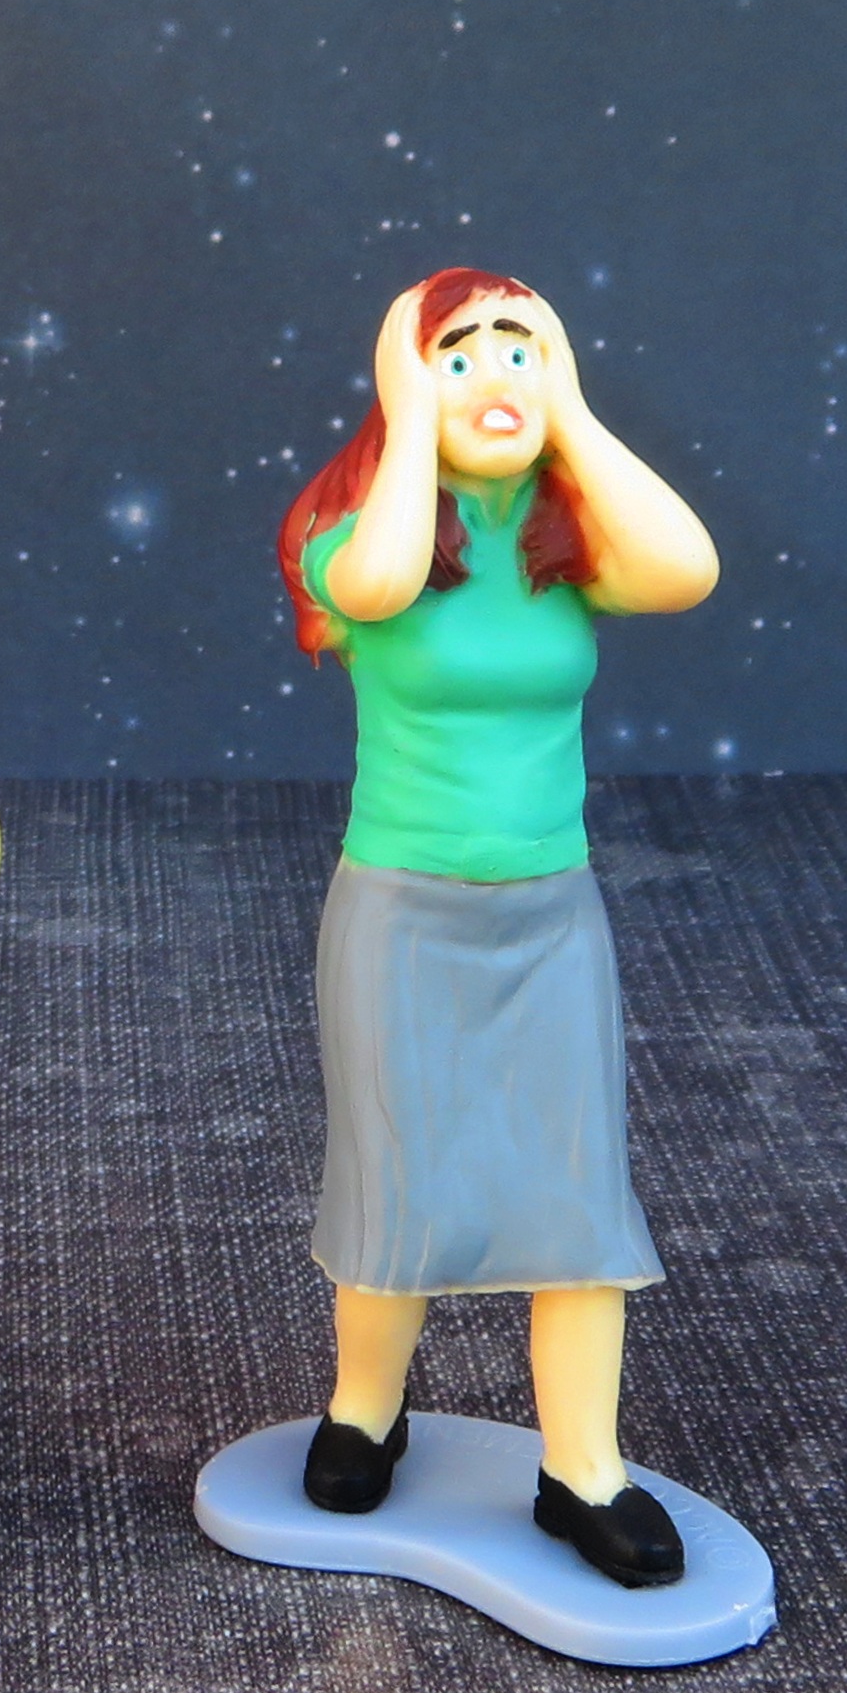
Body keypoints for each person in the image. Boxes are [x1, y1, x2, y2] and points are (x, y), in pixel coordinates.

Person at [275, 269, 719, 1586]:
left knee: (576, 1200)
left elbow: (687, 570)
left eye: (520, 347)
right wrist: (415, 411)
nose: (495, 375)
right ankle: (365, 1409)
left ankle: (583, 1468)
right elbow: (379, 581)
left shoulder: (567, 541)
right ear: (404, 381)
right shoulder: (353, 532)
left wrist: (567, 406)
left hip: (550, 917)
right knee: (397, 1180)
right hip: (398, 916)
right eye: (458, 352)